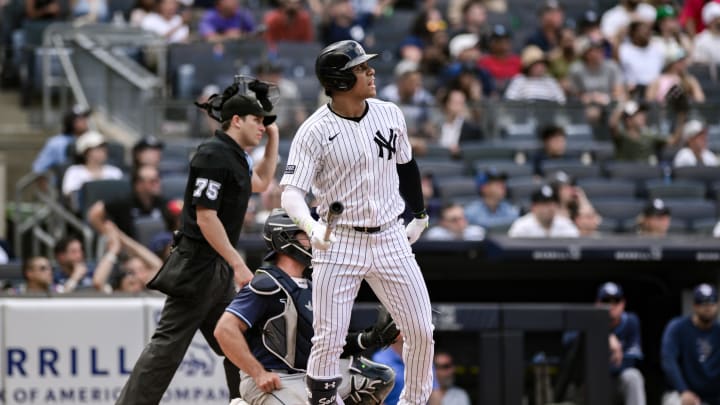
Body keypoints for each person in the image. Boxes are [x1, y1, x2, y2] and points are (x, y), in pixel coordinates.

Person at [279, 40, 435, 405]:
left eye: (367, 66)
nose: (371, 72)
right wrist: (312, 226)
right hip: (340, 241)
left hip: (390, 237)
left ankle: (414, 402)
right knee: (329, 338)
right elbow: (290, 193)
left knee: (420, 331)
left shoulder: (389, 113)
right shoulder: (314, 130)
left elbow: (407, 167)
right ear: (340, 80)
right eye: (361, 69)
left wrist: (421, 214)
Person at [116, 78, 280, 404]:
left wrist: (273, 135)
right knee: (168, 347)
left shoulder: (235, 156)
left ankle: (244, 401)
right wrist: (237, 263)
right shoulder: (214, 154)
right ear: (237, 120)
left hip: (215, 266)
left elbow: (261, 182)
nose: (262, 127)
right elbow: (206, 216)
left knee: (236, 340)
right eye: (257, 121)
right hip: (198, 264)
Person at [214, 209, 398, 404]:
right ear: (285, 237)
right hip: (274, 380)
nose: (313, 241)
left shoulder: (311, 286)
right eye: (306, 235)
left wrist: (368, 338)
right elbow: (225, 330)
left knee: (380, 377)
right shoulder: (266, 284)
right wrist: (258, 373)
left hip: (309, 375)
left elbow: (325, 345)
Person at [661, 283, 720, 405]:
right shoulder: (678, 327)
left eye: (712, 302)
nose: (708, 307)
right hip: (681, 393)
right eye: (703, 303)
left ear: (718, 305)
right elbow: (668, 360)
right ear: (695, 306)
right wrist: (683, 390)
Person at [88, 164, 171, 244]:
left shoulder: (163, 202)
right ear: (139, 185)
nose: (158, 184)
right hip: (130, 249)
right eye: (153, 181)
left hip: (158, 247)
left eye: (158, 179)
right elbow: (95, 213)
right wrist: (108, 234)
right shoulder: (124, 202)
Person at [596, 282, 646, 405]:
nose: (611, 306)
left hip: (617, 383)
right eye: (606, 301)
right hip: (594, 383)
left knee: (633, 376)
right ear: (597, 304)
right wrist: (604, 337)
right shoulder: (589, 320)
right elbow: (568, 342)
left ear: (623, 304)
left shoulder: (631, 321)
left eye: (615, 301)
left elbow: (632, 361)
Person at [60, 130, 123, 203]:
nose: (103, 151)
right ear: (86, 152)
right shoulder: (74, 171)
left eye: (103, 148)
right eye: (98, 149)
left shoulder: (115, 172)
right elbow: (69, 195)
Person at [32, 105, 91, 174]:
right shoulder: (56, 143)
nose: (85, 121)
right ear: (70, 122)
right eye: (81, 118)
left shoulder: (92, 140)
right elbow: (39, 169)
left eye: (86, 118)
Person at [508, 185, 580, 238]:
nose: (550, 208)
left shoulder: (565, 224)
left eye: (552, 203)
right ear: (534, 207)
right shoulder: (521, 227)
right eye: (545, 204)